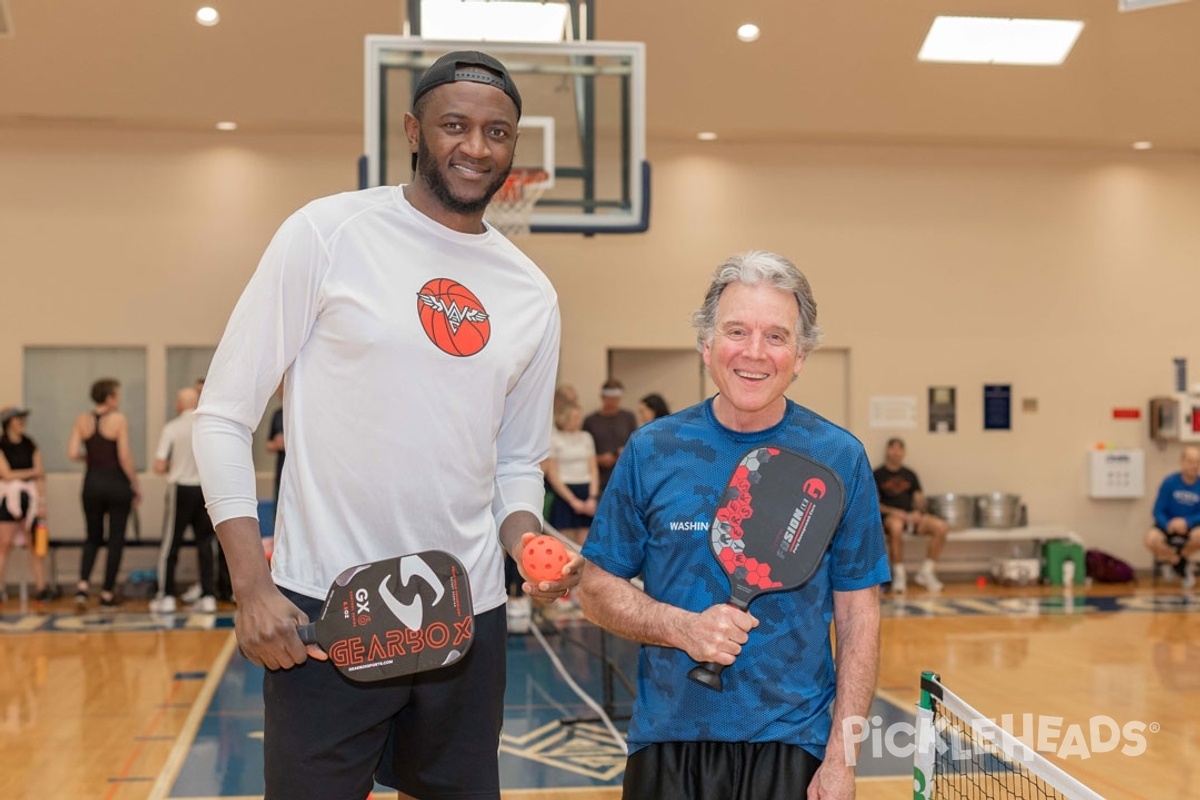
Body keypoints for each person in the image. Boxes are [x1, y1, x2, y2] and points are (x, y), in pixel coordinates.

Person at [192, 50, 579, 800]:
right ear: (413, 130)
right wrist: (252, 585)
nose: (475, 147)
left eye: (497, 132)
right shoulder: (327, 233)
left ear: (514, 149)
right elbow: (224, 415)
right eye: (455, 126)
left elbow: (516, 460)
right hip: (324, 611)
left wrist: (528, 541)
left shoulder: (532, 293)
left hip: (468, 619)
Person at [578, 251, 889, 800]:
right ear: (705, 345)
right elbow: (597, 590)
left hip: (794, 744)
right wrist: (682, 628)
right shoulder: (653, 449)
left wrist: (843, 758)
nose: (754, 352)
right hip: (668, 741)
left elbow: (858, 612)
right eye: (737, 330)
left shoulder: (839, 459)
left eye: (776, 336)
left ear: (801, 356)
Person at [67, 378, 140, 608]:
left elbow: (71, 452)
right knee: (115, 539)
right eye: (117, 394)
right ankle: (107, 591)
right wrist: (135, 483)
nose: (119, 399)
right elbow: (124, 456)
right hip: (116, 482)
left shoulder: (82, 420)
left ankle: (82, 586)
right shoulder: (118, 419)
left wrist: (88, 458)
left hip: (91, 482)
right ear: (109, 397)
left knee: (92, 536)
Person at [149, 387, 218, 613]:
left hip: (180, 489)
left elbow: (159, 465)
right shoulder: (205, 427)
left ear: (179, 404)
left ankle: (166, 595)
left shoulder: (172, 428)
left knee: (171, 543)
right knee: (206, 543)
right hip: (204, 491)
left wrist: (176, 464)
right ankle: (209, 596)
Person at [873, 437, 948, 593]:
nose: (896, 452)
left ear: (903, 452)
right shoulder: (877, 474)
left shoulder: (910, 474)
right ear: (887, 451)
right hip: (890, 519)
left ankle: (926, 572)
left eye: (899, 448)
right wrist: (896, 513)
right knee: (896, 526)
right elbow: (874, 504)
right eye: (892, 448)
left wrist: (918, 513)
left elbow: (919, 499)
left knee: (941, 527)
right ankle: (900, 576)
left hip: (911, 518)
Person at [0, 406, 52, 604]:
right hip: (9, 499)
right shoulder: (2, 445)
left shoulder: (30, 444)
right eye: (17, 419)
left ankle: (41, 588)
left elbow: (41, 475)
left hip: (30, 500)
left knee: (36, 545)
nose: (21, 422)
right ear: (8, 423)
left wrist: (41, 501)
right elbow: (6, 475)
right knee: (4, 545)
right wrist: (32, 472)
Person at [543, 401, 599, 546]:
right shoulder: (554, 439)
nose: (579, 419)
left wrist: (592, 497)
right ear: (564, 418)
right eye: (575, 417)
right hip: (565, 493)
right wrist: (572, 500)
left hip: (585, 490)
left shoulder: (586, 437)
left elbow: (593, 469)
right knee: (564, 542)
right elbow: (553, 474)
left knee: (585, 542)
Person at [1145, 445, 1200, 589]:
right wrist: (1168, 524)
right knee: (1151, 540)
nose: (1194, 466)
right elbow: (1157, 510)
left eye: (1197, 462)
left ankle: (1176, 562)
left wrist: (1187, 522)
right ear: (1182, 462)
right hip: (1168, 524)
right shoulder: (1169, 482)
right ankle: (1179, 564)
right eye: (1191, 461)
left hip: (1190, 526)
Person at [582, 377, 637, 496]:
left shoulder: (628, 417)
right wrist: (598, 459)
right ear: (603, 397)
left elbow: (635, 445)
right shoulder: (591, 421)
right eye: (610, 398)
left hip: (623, 477)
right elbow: (583, 450)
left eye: (616, 398)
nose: (613, 401)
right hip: (599, 480)